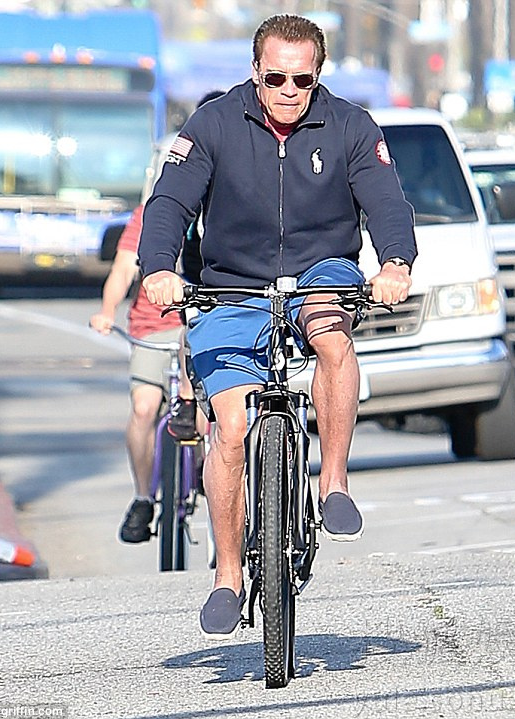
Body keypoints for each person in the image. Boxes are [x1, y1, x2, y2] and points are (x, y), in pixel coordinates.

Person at [138, 14, 417, 638]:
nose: (289, 90)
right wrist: (158, 268)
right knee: (230, 428)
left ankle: (334, 482)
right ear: (255, 72)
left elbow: (386, 201)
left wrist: (395, 263)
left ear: (318, 76)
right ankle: (227, 575)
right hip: (233, 283)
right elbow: (170, 203)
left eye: (302, 79)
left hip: (322, 269)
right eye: (276, 78)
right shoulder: (212, 124)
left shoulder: (351, 126)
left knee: (331, 335)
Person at [90, 90, 224, 544]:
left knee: (207, 409)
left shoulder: (227, 210)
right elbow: (122, 270)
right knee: (144, 408)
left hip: (199, 323)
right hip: (151, 327)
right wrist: (106, 312)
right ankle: (143, 497)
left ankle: (208, 469)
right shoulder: (151, 213)